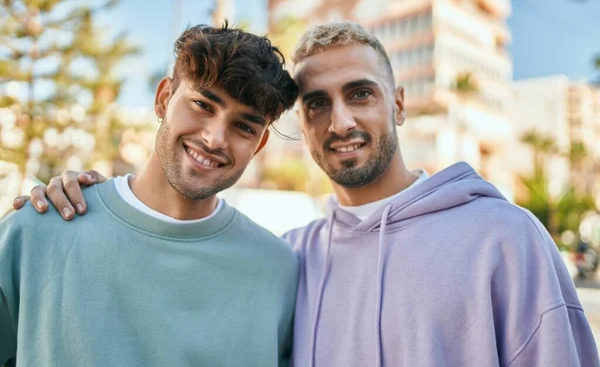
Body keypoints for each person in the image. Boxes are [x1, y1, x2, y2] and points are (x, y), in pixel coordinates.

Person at [14, 22, 600, 366]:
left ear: (397, 103)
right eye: (317, 103)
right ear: (165, 97)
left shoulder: (505, 238)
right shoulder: (296, 258)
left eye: (362, 94)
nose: (340, 121)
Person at [1, 23, 300, 366]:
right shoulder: (35, 232)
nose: (215, 138)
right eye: (203, 104)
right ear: (163, 99)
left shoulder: (278, 270)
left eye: (244, 126)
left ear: (259, 144)